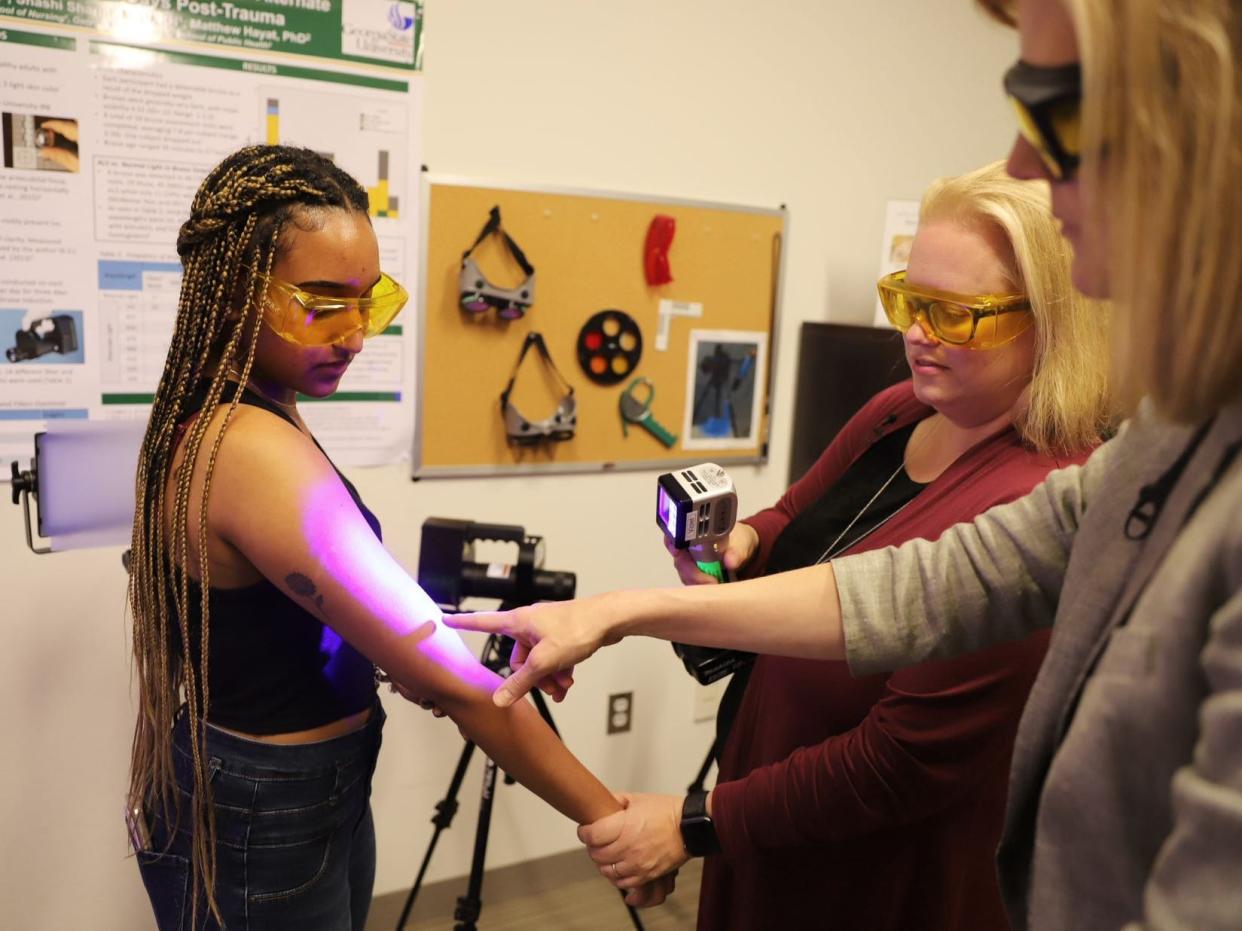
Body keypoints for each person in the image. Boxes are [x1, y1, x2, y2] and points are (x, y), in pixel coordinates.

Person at [447, 1, 1242, 928]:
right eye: (910, 298)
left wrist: (697, 816)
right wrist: (625, 611)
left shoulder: (1099, 469)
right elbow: (916, 586)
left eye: (1057, 111)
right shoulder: (1155, 442)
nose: (1024, 160)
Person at [126, 144, 671, 930]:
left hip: (302, 790)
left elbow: (318, 602)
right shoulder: (247, 447)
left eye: (368, 302)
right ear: (239, 290)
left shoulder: (246, 404)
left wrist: (420, 642)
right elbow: (460, 688)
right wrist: (611, 821)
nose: (354, 335)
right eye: (322, 303)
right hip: (270, 808)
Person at [654, 160, 1110, 931]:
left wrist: (694, 821)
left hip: (875, 872)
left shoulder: (1044, 504)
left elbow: (897, 763)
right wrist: (738, 544)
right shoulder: (900, 410)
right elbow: (794, 521)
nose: (915, 334)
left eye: (955, 314)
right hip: (770, 830)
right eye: (909, 298)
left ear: (1053, 322)